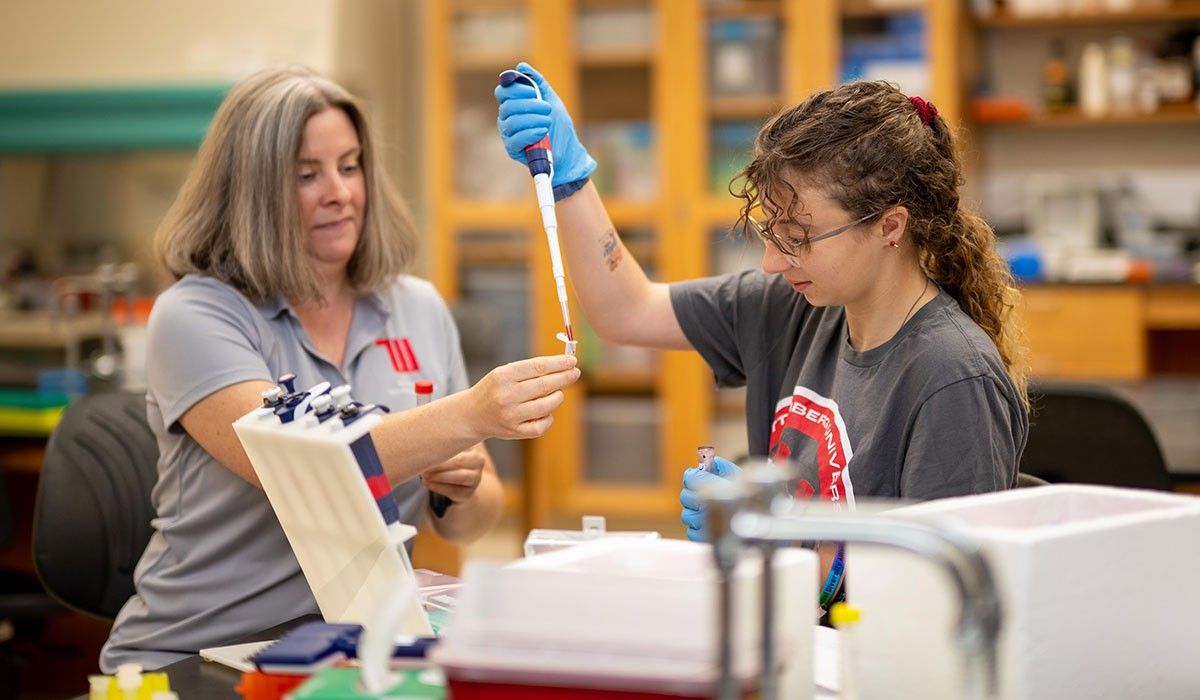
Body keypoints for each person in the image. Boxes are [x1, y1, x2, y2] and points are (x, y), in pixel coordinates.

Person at [496, 64, 1029, 608]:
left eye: (798, 237)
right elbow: (627, 311)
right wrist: (571, 181)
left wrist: (774, 538)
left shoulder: (952, 379)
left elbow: (939, 608)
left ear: (890, 226)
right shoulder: (798, 304)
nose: (773, 262)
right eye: (770, 232)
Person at [101, 66, 579, 671]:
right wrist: (470, 414)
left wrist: (457, 491)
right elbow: (292, 465)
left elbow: (475, 517)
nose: (340, 192)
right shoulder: (193, 315)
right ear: (249, 191)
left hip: (351, 652)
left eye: (350, 166)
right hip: (197, 655)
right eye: (307, 175)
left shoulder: (418, 308)